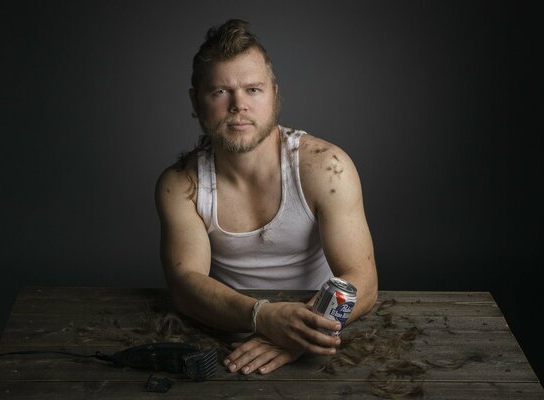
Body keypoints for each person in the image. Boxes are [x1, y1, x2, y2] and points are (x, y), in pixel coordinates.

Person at [155, 19, 378, 375]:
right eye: (220, 92)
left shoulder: (326, 167)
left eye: (253, 90)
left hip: (322, 335)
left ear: (275, 94)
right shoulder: (180, 185)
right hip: (228, 343)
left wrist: (299, 334)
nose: (238, 105)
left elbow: (362, 281)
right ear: (195, 100)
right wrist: (263, 317)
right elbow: (185, 286)